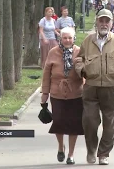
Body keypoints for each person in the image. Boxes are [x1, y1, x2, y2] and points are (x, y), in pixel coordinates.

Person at [75, 9, 114, 165]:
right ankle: (91, 150)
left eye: (107, 21)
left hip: (110, 88)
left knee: (109, 123)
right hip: (91, 87)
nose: (104, 24)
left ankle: (103, 154)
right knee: (89, 121)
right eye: (101, 21)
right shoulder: (88, 40)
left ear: (112, 24)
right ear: (97, 22)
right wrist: (82, 70)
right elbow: (79, 59)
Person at [41, 27, 84, 165]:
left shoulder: (79, 52)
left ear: (74, 39)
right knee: (58, 121)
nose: (67, 40)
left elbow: (86, 72)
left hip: (76, 93)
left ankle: (71, 154)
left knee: (74, 124)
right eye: (65, 38)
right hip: (57, 93)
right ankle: (61, 146)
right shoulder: (53, 52)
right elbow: (46, 74)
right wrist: (45, 93)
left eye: (70, 38)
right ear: (60, 39)